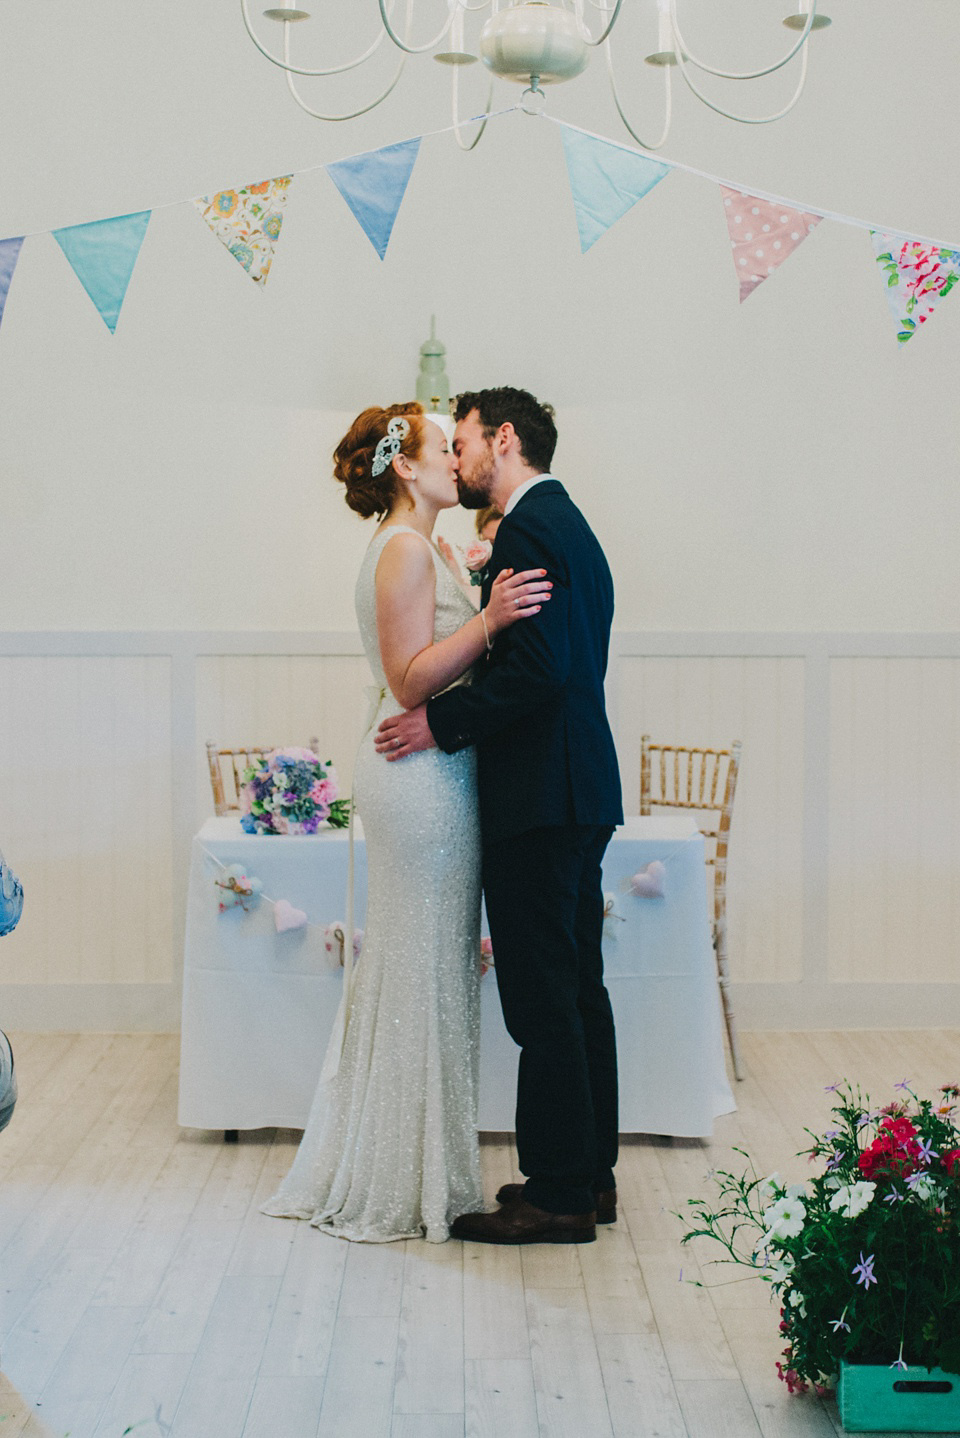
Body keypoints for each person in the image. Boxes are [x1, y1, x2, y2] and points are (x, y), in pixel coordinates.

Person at [261, 402, 550, 1243]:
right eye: (439, 450)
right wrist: (492, 620)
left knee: (430, 966)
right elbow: (409, 678)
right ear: (406, 469)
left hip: (434, 776)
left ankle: (424, 1166)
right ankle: (402, 1177)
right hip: (422, 780)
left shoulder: (417, 547)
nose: (454, 464)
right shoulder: (401, 549)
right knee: (422, 967)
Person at [376, 387, 623, 1246]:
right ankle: (588, 1176)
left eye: (468, 440)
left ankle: (557, 1194)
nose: (461, 458)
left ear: (503, 439)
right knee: (578, 988)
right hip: (577, 788)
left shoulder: (526, 530)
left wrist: (438, 721)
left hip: (540, 798)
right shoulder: (568, 525)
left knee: (543, 998)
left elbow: (541, 672)